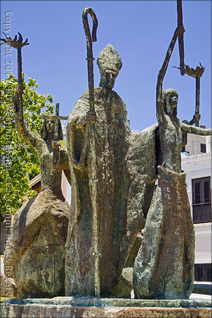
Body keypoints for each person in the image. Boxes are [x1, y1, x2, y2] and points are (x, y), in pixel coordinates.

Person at [133, 25, 212, 299]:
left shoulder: (179, 125)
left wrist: (199, 85)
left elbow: (200, 129)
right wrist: (174, 39)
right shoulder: (163, 122)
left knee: (182, 232)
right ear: (164, 101)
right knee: (156, 228)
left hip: (179, 183)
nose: (174, 101)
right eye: (170, 97)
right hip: (164, 180)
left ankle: (177, 281)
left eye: (177, 98)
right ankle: (146, 279)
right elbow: (158, 78)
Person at [64, 44, 133, 297]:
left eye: (114, 76)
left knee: (111, 228)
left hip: (112, 173)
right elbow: (72, 122)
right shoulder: (89, 95)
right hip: (93, 175)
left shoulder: (118, 102)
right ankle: (86, 279)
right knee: (91, 224)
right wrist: (83, 122)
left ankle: (108, 277)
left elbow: (126, 135)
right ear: (101, 72)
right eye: (107, 74)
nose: (110, 79)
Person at [4, 86, 70, 297]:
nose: (50, 125)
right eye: (47, 122)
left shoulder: (63, 150)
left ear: (58, 125)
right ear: (45, 125)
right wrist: (18, 108)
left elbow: (71, 175)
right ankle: (12, 258)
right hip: (44, 195)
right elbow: (24, 131)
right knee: (26, 223)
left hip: (58, 197)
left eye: (53, 122)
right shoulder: (41, 145)